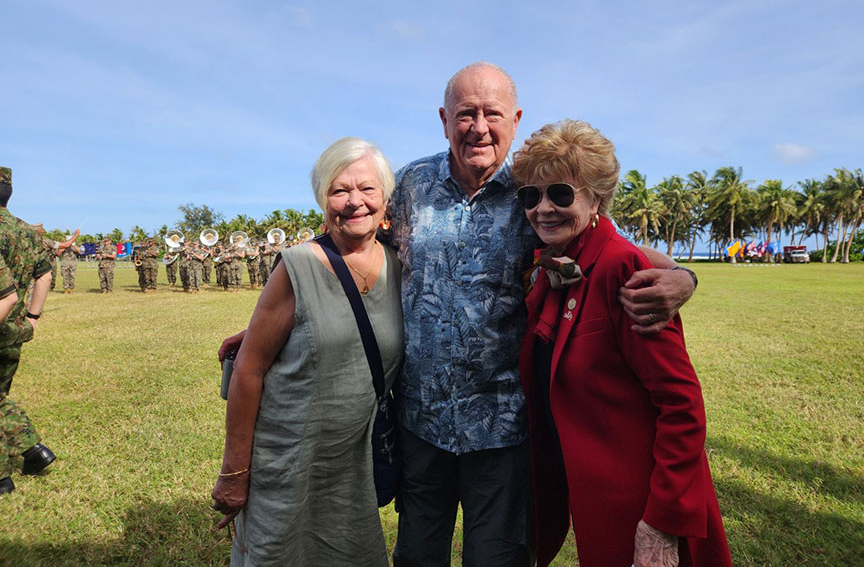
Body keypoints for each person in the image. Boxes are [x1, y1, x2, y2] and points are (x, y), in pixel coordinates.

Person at [219, 63, 697, 565]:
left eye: (492, 113)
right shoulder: (408, 186)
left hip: (504, 426)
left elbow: (612, 246)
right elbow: (348, 250)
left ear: (514, 119)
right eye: (465, 113)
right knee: (418, 556)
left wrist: (684, 277)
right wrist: (275, 324)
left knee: (498, 558)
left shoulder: (537, 191)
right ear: (444, 119)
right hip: (421, 420)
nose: (479, 127)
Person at [512, 120, 731, 567]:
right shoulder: (558, 268)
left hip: (643, 507)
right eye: (531, 196)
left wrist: (662, 522)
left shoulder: (622, 269)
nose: (543, 208)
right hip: (597, 503)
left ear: (596, 198)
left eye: (561, 193)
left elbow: (682, 404)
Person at [211, 138, 403, 566]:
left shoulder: (400, 266)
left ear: (386, 199)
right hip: (287, 461)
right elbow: (249, 370)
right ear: (323, 200)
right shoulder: (296, 266)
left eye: (367, 189)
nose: (355, 201)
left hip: (354, 462)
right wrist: (234, 473)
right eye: (339, 190)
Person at [0, 166, 71, 494]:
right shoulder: (26, 231)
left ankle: (3, 478)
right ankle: (32, 451)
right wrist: (32, 317)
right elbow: (44, 276)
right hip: (15, 328)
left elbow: (6, 293)